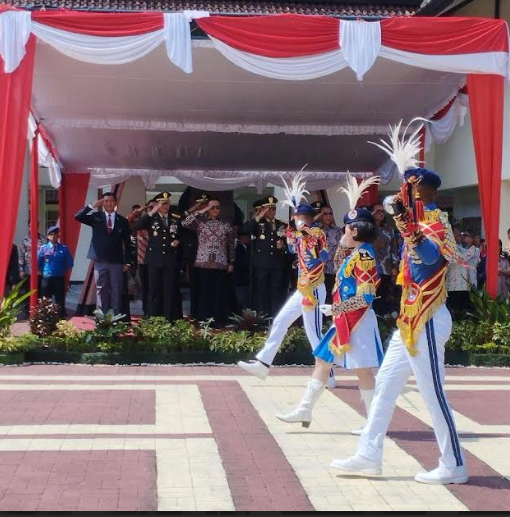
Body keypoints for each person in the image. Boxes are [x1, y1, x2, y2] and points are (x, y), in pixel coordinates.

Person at [332, 125, 468, 485]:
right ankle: (369, 453)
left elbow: (430, 259)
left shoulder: (436, 224)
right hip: (410, 320)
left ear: (422, 191)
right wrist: (408, 224)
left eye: (410, 188)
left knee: (432, 394)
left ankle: (454, 464)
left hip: (428, 318)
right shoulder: (419, 222)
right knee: (384, 388)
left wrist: (407, 225)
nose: (404, 193)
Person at [276, 175, 383, 434]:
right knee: (323, 360)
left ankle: (374, 422)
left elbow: (366, 298)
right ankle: (305, 409)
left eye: (346, 229)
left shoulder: (364, 257)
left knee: (363, 371)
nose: (342, 233)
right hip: (344, 320)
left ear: (354, 232)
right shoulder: (355, 253)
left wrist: (336, 309)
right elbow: (336, 267)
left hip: (357, 321)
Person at [238, 175, 330, 381]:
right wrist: (291, 235)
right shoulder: (300, 234)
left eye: (299, 217)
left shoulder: (316, 233)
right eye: (296, 217)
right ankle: (263, 363)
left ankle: (328, 374)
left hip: (314, 289)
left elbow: (320, 253)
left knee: (314, 333)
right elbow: (291, 246)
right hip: (302, 288)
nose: (296, 220)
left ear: (308, 218)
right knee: (280, 322)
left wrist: (299, 230)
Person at [75, 192, 132, 315]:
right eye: (106, 201)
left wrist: (128, 262)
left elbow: (128, 243)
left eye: (111, 201)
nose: (109, 203)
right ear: (103, 203)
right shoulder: (96, 217)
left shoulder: (122, 220)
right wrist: (92, 206)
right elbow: (78, 216)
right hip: (100, 260)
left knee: (116, 289)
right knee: (101, 289)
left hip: (117, 261)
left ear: (115, 203)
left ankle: (116, 317)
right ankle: (102, 318)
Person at [182, 197, 235, 326]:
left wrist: (231, 262)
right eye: (212, 207)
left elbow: (231, 245)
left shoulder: (225, 225)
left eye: (217, 207)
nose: (215, 210)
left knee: (218, 294)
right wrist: (201, 210)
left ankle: (218, 320)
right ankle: (203, 320)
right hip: (203, 263)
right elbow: (185, 223)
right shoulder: (200, 223)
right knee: (204, 293)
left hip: (220, 263)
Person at [134, 192, 182, 321]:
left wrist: (177, 240)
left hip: (170, 259)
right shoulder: (151, 217)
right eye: (162, 203)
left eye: (167, 203)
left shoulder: (175, 217)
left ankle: (169, 318)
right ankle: (155, 319)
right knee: (154, 290)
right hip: (154, 259)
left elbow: (181, 234)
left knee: (169, 290)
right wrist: (152, 210)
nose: (165, 206)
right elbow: (137, 226)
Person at [244, 197, 288, 317]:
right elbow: (244, 230)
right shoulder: (257, 223)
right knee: (261, 292)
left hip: (277, 264)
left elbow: (290, 244)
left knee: (276, 292)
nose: (271, 211)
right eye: (268, 209)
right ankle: (262, 319)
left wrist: (283, 247)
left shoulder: (282, 224)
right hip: (261, 264)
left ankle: (275, 318)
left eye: (273, 208)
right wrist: (259, 215)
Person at [37, 226, 74, 318]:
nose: (53, 237)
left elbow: (70, 263)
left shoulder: (63, 248)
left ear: (58, 236)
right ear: (48, 236)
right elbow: (38, 263)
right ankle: (45, 318)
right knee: (46, 299)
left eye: (55, 234)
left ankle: (60, 318)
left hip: (59, 278)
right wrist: (43, 272)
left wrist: (61, 269)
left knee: (59, 299)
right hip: (47, 278)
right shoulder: (43, 248)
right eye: (51, 235)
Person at [371, 202, 400, 316]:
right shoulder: (367, 229)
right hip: (371, 268)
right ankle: (374, 316)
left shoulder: (388, 229)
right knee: (372, 294)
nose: (381, 213)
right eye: (377, 211)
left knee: (384, 293)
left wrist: (395, 266)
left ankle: (383, 316)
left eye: (382, 211)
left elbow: (393, 248)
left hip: (386, 267)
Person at [128, 200, 156, 316]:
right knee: (145, 288)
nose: (154, 209)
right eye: (151, 207)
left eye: (156, 207)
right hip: (142, 259)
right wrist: (145, 207)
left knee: (156, 288)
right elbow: (129, 219)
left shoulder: (161, 220)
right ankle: (147, 312)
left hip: (157, 260)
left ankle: (156, 312)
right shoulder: (142, 221)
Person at [314, 203, 343, 304]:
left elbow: (342, 249)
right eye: (325, 213)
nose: (328, 216)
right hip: (318, 269)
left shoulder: (338, 231)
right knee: (318, 296)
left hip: (332, 269)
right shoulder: (315, 230)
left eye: (330, 213)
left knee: (331, 295)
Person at [446, 227, 475, 319]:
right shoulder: (449, 246)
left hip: (461, 285)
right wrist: (472, 248)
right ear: (452, 235)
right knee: (455, 312)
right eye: (459, 235)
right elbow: (461, 258)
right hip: (454, 286)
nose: (461, 237)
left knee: (463, 312)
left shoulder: (458, 246)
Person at [234, 228, 251, 311]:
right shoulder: (239, 249)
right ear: (242, 238)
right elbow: (242, 263)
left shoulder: (248, 248)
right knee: (241, 298)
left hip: (245, 279)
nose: (249, 239)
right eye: (247, 237)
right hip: (240, 278)